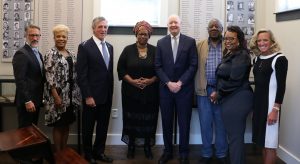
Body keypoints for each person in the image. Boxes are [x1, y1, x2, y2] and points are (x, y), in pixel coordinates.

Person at [155, 14, 198, 164]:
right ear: (168, 25)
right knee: (166, 121)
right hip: (166, 90)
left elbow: (193, 65)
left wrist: (180, 83)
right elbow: (158, 66)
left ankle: (184, 153)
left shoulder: (190, 42)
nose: (173, 25)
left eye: (176, 22)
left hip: (184, 90)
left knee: (184, 122)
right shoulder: (161, 43)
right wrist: (168, 82)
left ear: (180, 24)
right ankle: (167, 152)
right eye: (171, 23)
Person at [117, 21, 159, 160]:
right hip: (131, 93)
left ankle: (147, 146)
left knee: (149, 119)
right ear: (136, 34)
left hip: (151, 93)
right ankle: (131, 146)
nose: (143, 36)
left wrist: (151, 80)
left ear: (149, 36)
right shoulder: (127, 50)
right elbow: (121, 69)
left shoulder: (155, 50)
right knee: (132, 119)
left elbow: (160, 70)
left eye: (146, 34)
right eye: (140, 33)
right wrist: (132, 81)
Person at [212, 26, 253, 164]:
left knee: (235, 138)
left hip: (239, 97)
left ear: (239, 40)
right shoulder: (231, 53)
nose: (228, 41)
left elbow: (235, 80)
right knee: (235, 137)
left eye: (232, 38)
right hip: (231, 97)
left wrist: (218, 94)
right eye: (226, 38)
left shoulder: (242, 55)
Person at [76, 16, 113, 164]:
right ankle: (88, 154)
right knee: (88, 127)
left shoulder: (110, 47)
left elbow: (108, 72)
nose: (103, 29)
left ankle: (99, 152)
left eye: (105, 27)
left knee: (103, 127)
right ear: (93, 28)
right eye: (100, 27)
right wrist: (88, 95)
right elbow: (82, 74)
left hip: (106, 95)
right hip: (92, 96)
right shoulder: (85, 46)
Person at [249, 29, 288, 164]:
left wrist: (275, 110)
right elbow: (258, 87)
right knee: (262, 143)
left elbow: (281, 87)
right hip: (259, 107)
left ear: (272, 42)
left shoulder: (280, 59)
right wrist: (254, 109)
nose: (262, 43)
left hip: (271, 108)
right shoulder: (257, 59)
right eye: (259, 40)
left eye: (265, 40)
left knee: (270, 145)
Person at [43, 24, 81, 152]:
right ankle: (58, 154)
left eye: (64, 36)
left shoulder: (71, 53)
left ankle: (64, 151)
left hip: (70, 95)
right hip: (58, 95)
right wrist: (56, 97)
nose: (61, 39)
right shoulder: (50, 54)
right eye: (58, 36)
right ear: (54, 37)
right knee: (59, 125)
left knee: (66, 124)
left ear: (67, 38)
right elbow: (49, 77)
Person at [194, 18, 228, 164]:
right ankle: (206, 153)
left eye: (217, 26)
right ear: (208, 30)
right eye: (211, 26)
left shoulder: (228, 45)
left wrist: (222, 90)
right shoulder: (199, 45)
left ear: (221, 29)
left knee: (221, 124)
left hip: (223, 91)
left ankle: (222, 154)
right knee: (205, 123)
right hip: (204, 91)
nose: (214, 28)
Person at [12, 24, 44, 128]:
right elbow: (20, 80)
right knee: (25, 132)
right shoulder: (22, 54)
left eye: (37, 35)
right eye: (31, 35)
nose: (35, 38)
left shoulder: (38, 53)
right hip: (28, 101)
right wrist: (27, 100)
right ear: (26, 35)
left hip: (36, 99)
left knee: (33, 130)